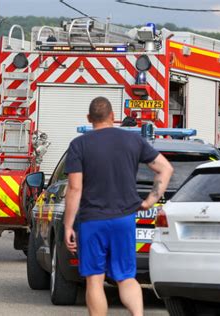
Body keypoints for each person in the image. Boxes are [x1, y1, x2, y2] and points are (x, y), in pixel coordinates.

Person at [64, 97, 173, 316]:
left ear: (89, 118)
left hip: (92, 220)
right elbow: (165, 168)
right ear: (113, 117)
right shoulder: (132, 141)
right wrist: (150, 200)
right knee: (126, 276)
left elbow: (75, 188)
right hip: (123, 219)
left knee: (95, 279)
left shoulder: (79, 144)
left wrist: (68, 225)